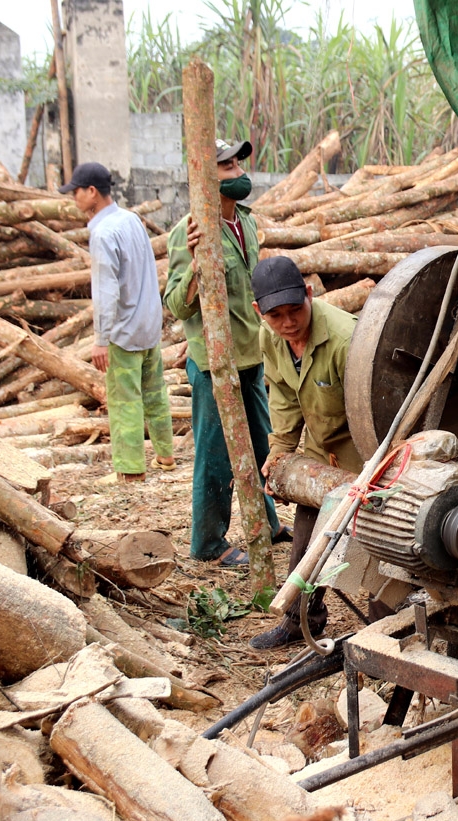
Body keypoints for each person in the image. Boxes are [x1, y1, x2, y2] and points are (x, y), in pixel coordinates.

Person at [164, 139, 291, 566]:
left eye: (237, 162)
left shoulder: (246, 221)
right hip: (214, 362)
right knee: (216, 455)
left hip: (252, 355)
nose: (237, 171)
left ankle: (267, 525)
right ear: (204, 178)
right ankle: (208, 544)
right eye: (226, 165)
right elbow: (176, 305)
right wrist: (198, 267)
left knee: (261, 446)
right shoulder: (190, 231)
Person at [244, 256, 365, 649]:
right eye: (276, 315)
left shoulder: (346, 340)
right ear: (258, 312)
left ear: (310, 294)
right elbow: (282, 395)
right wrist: (279, 455)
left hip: (362, 445)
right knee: (307, 535)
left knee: (379, 535)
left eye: (296, 310)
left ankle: (391, 620)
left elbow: (376, 409)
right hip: (319, 447)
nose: (288, 322)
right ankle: (300, 622)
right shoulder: (271, 337)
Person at [61, 161, 175, 483]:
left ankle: (129, 469)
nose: (74, 199)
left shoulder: (102, 232)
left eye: (76, 192)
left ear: (92, 192)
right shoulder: (131, 220)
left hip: (123, 329)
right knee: (154, 393)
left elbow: (106, 289)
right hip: (148, 323)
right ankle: (165, 455)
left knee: (125, 399)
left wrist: (101, 338)